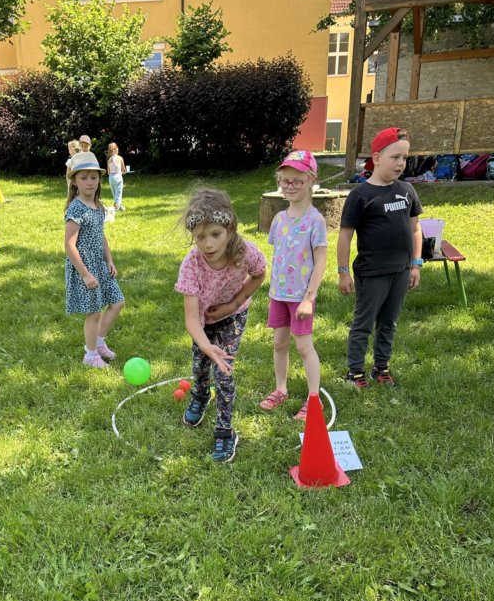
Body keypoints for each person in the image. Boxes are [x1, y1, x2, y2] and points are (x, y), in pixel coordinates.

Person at [175, 189, 266, 463]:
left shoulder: (245, 252)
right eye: (200, 237)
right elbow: (191, 319)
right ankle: (201, 395)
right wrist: (206, 346)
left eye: (215, 234)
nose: (208, 244)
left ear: (230, 228)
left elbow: (259, 274)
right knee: (200, 366)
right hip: (203, 321)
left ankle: (225, 432)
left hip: (232, 316)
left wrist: (234, 303)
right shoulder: (191, 265)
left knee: (223, 372)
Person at [338, 127, 423, 387]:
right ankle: (355, 371)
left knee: (389, 322)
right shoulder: (360, 195)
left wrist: (416, 264)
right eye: (395, 157)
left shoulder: (407, 190)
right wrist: (343, 271)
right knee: (363, 323)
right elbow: (345, 236)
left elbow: (416, 229)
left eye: (405, 158)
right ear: (376, 157)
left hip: (401, 270)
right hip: (372, 272)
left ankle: (381, 367)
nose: (401, 163)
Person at [260, 151, 327, 421]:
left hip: (301, 297)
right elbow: (279, 253)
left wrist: (309, 298)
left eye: (297, 181)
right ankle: (281, 389)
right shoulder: (279, 219)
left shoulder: (315, 221)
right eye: (285, 181)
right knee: (279, 343)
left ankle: (314, 399)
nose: (290, 186)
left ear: (311, 181)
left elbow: (320, 262)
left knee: (303, 347)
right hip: (278, 294)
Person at [64, 151, 124, 368]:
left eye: (94, 177)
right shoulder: (76, 208)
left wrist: (110, 260)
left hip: (100, 263)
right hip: (85, 266)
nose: (89, 182)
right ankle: (90, 356)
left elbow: (101, 235)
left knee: (117, 302)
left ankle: (98, 342)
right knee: (94, 312)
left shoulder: (99, 205)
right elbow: (69, 245)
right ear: (74, 181)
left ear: (99, 179)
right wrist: (85, 274)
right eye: (83, 178)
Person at [106, 142, 127, 211]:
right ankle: (116, 207)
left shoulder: (109, 160)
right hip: (118, 176)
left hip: (111, 178)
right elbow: (124, 170)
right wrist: (124, 172)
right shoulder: (120, 158)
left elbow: (108, 172)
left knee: (114, 193)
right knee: (119, 193)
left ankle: (120, 206)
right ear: (116, 149)